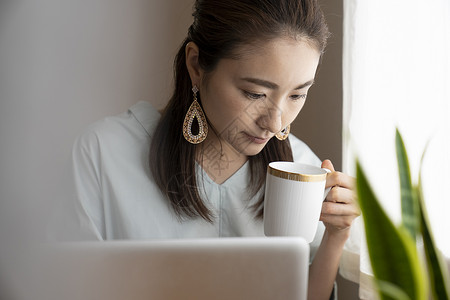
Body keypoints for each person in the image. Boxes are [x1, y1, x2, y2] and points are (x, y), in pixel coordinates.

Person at [50, 0, 360, 299]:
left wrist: (337, 236)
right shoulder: (103, 155)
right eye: (254, 93)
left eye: (297, 95)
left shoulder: (302, 165)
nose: (275, 122)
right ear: (196, 65)